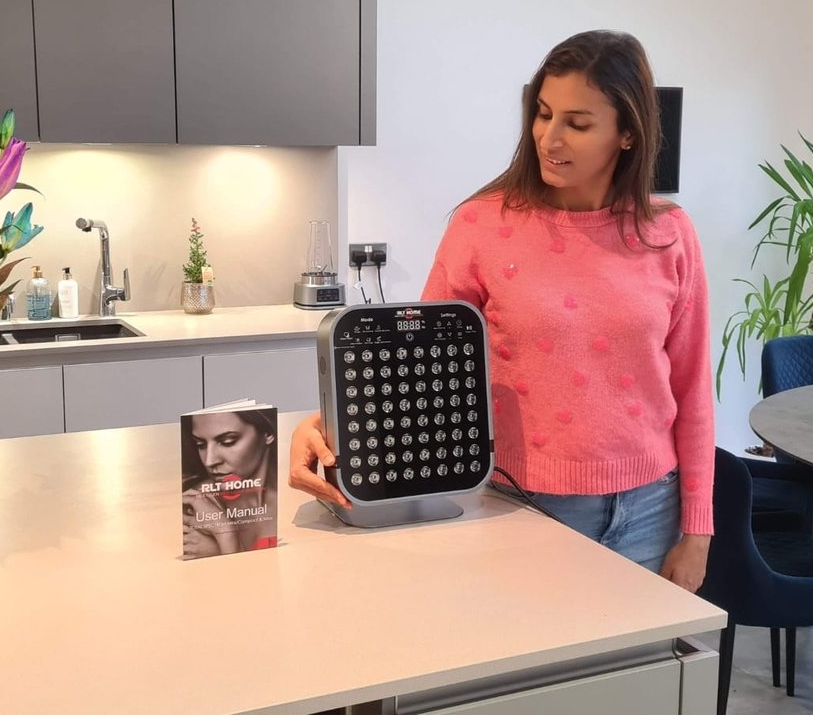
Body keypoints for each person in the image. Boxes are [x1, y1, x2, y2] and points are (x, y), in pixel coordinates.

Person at [290, 30, 714, 592]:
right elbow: (417, 370)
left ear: (628, 133)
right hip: (522, 505)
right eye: (543, 114)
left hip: (652, 511)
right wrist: (329, 425)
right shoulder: (483, 225)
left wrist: (697, 530)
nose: (549, 138)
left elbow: (692, 387)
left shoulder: (670, 234)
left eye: (577, 123)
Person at [182, 409, 279, 558]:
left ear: (268, 434)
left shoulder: (291, 499)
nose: (209, 461)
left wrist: (224, 542)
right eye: (201, 444)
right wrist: (226, 533)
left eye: (228, 442)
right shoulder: (192, 509)